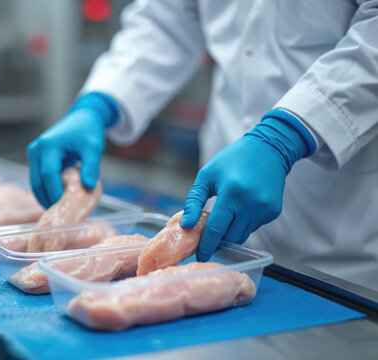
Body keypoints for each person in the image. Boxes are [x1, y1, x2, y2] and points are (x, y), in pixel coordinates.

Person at [27, 1, 378, 290]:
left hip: (342, 247)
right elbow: (167, 19)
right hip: (220, 244)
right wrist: (100, 103)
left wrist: (288, 133)